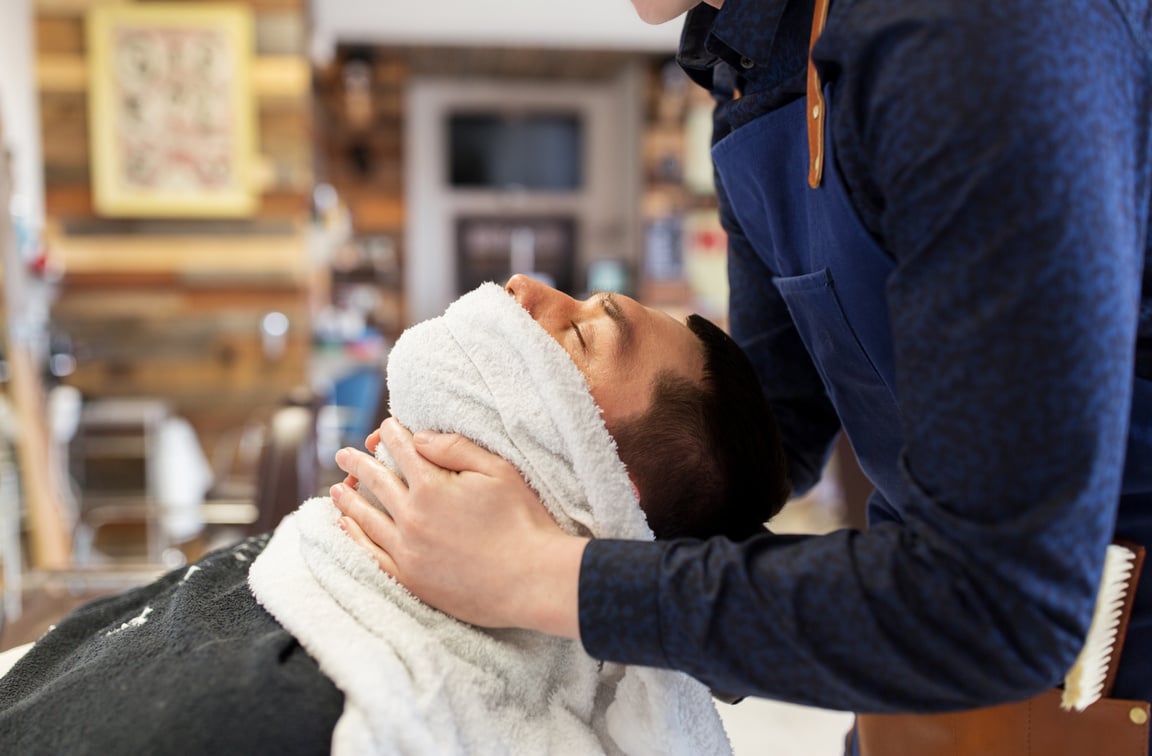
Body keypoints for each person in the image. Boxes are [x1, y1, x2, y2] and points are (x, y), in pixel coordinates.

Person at [333, 0, 1152, 751]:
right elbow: (754, 433)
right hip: (920, 698)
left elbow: (1003, 604)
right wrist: (537, 468)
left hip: (1099, 686)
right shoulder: (757, 69)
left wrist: (534, 573)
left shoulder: (979, 34)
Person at [0, 280, 789, 754]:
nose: (523, 290)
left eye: (581, 331)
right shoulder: (312, 557)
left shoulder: (361, 721)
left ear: (604, 497)